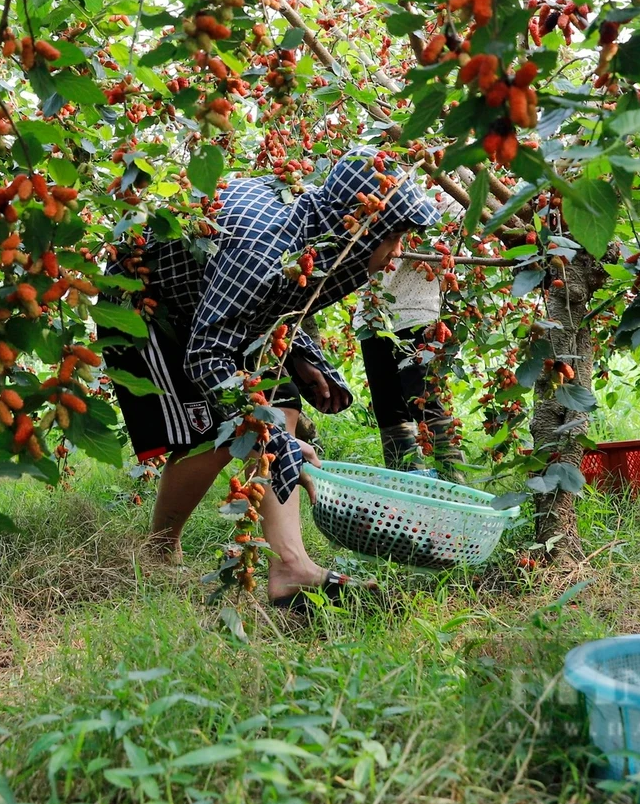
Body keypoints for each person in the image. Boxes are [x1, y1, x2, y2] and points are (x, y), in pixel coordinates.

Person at [104, 154, 441, 605]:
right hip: (150, 303)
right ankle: (159, 549)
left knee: (279, 408)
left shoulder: (321, 239)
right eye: (395, 236)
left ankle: (290, 565)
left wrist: (303, 355)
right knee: (213, 431)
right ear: (359, 228)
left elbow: (272, 300)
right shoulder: (265, 244)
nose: (399, 251)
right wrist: (274, 440)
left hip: (210, 306)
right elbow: (206, 354)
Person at [355, 254, 462, 474]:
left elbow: (448, 258)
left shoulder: (440, 220)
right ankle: (405, 487)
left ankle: (454, 482)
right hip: (372, 317)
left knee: (425, 401)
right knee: (388, 409)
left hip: (417, 315)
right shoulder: (370, 218)